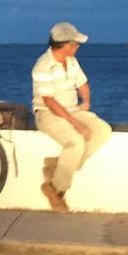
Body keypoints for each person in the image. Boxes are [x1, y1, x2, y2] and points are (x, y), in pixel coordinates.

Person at [32, 22, 112, 212]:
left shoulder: (73, 62)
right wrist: (77, 124)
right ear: (65, 44)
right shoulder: (43, 66)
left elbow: (83, 85)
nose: (78, 46)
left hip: (71, 109)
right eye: (76, 43)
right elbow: (50, 102)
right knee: (76, 141)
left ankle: (59, 167)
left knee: (103, 130)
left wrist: (86, 102)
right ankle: (56, 191)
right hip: (48, 113)